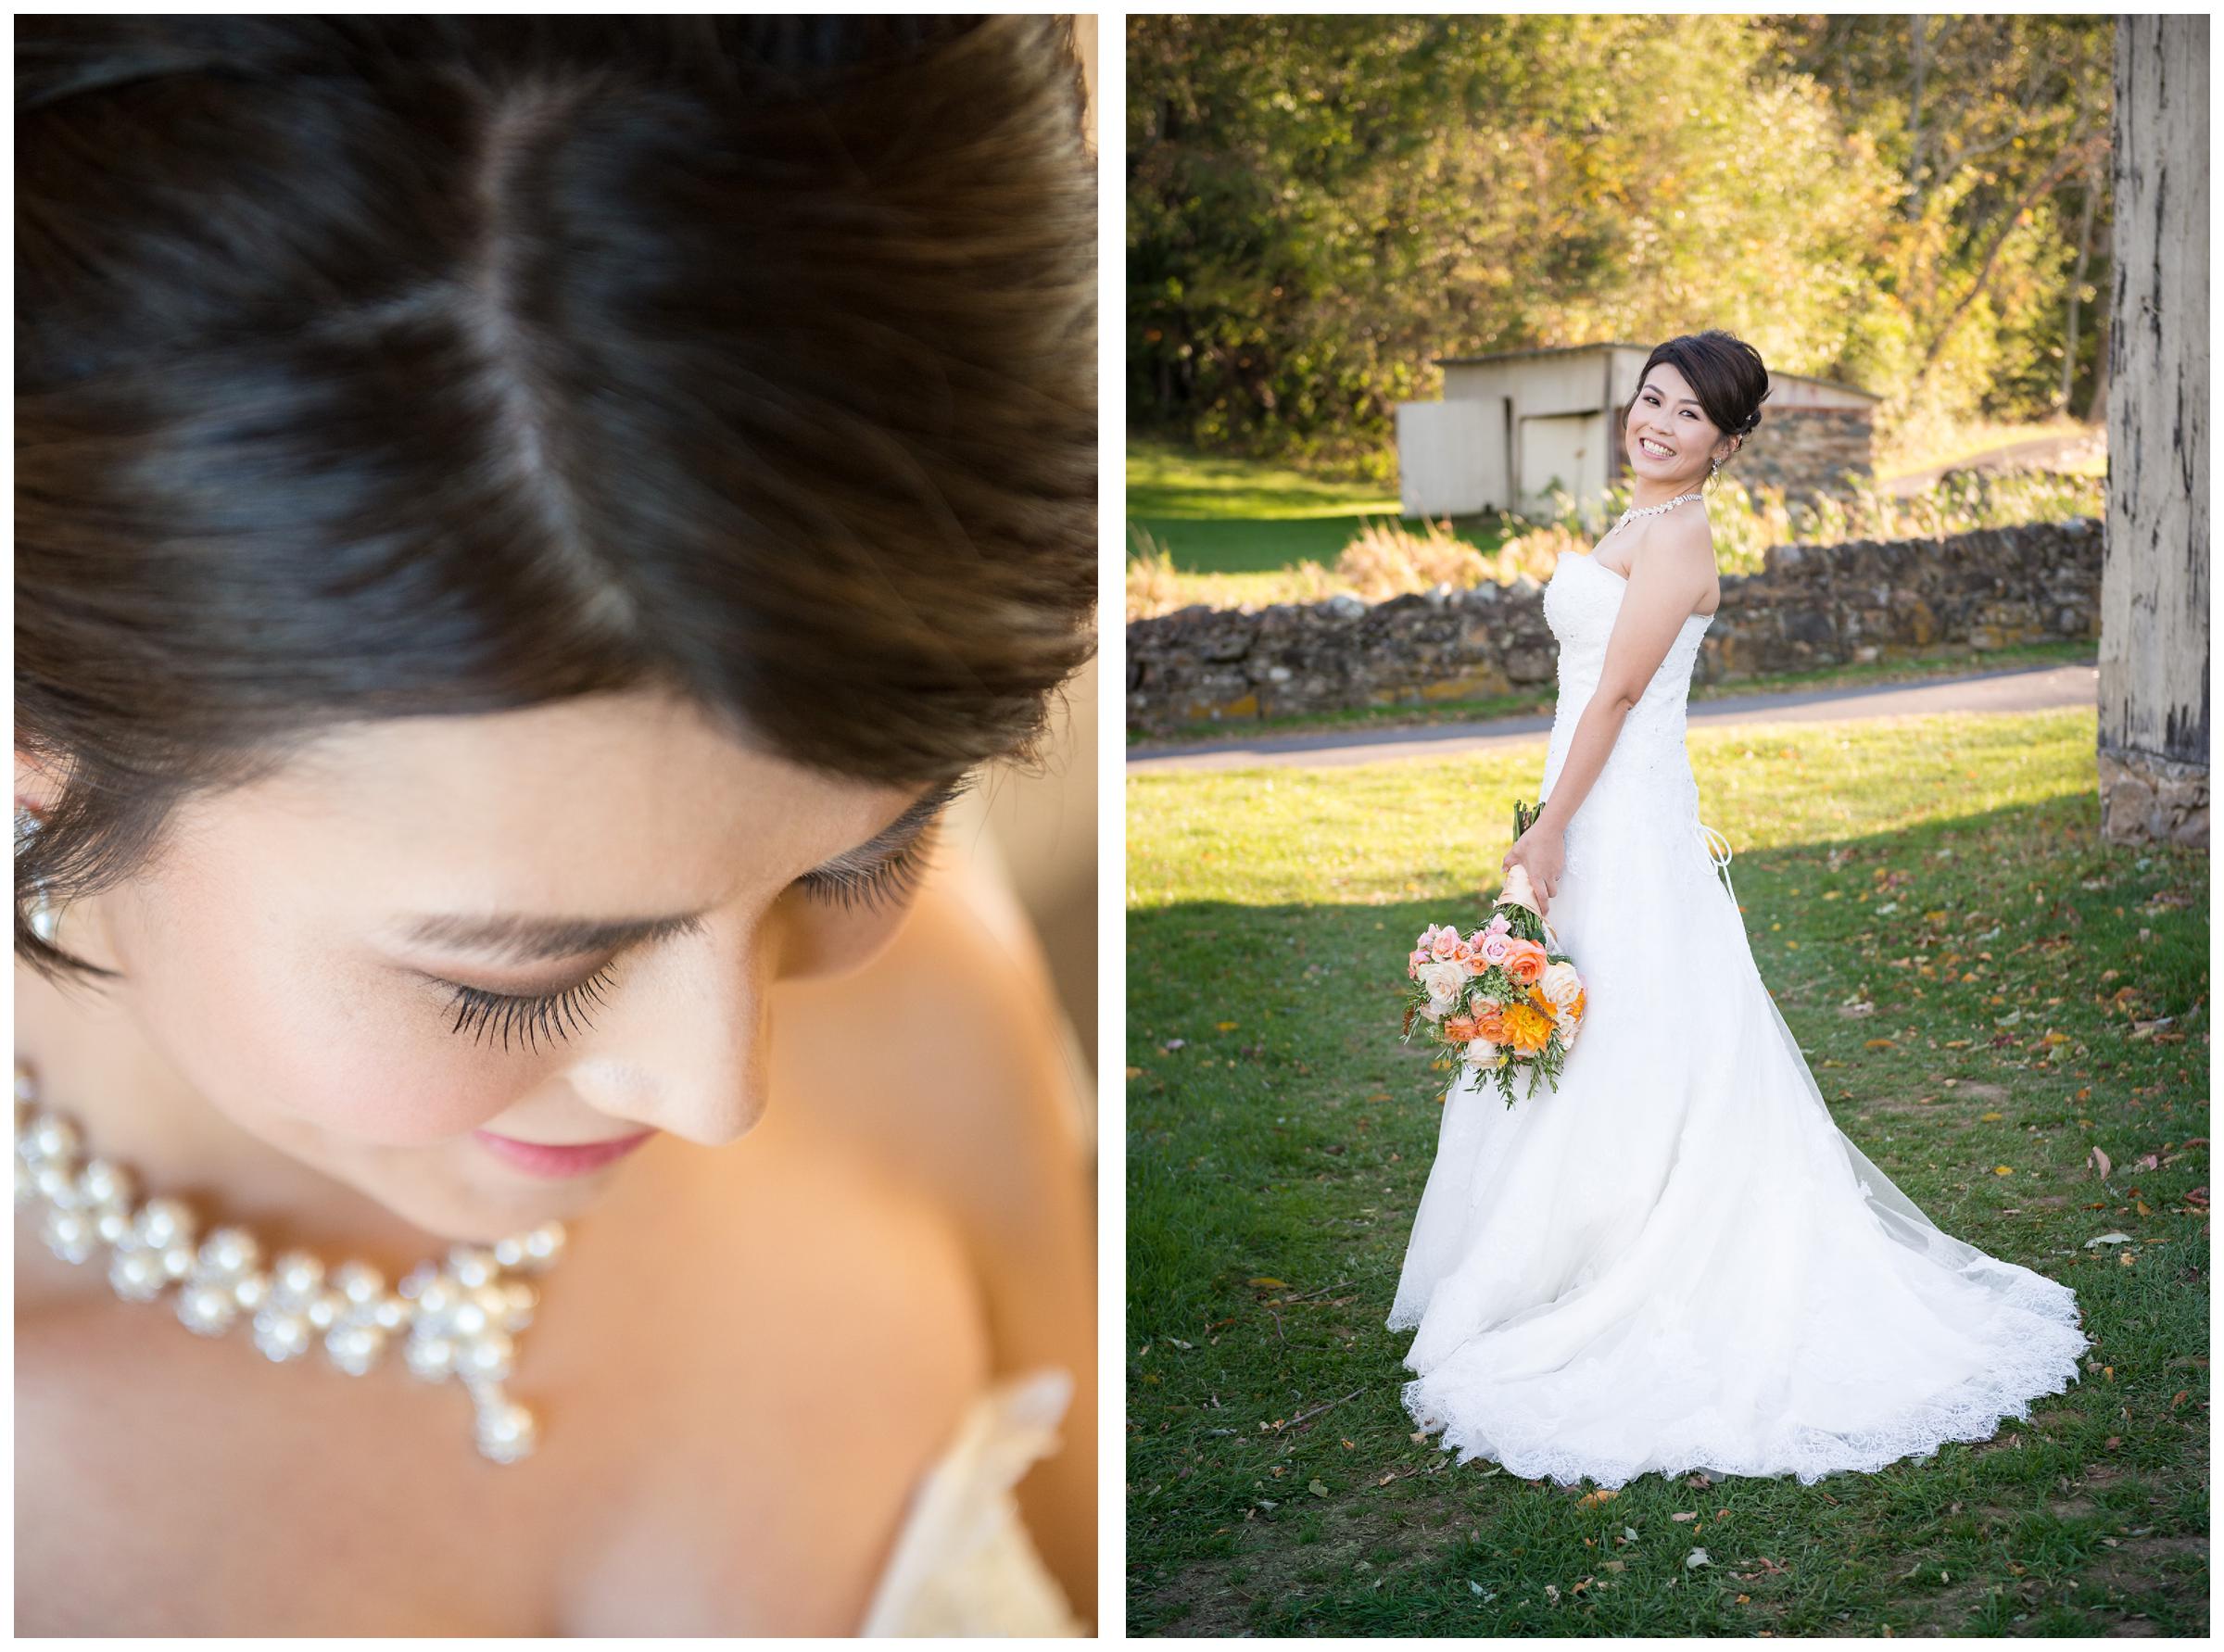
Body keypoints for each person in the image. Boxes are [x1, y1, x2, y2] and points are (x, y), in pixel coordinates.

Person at [15, 16, 1096, 1634]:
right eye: (512, 977)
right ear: (40, 740)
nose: (722, 1088)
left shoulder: (928, 1002)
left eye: (860, 851)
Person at [1387, 330, 2087, 1489]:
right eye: (1650, 399)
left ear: (1728, 443)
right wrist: (1548, 816)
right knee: (1582, 1016)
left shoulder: (1682, 535)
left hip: (1621, 811)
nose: (1656, 422)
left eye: (1687, 415)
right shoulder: (1634, 520)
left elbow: (1617, 691)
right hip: (1589, 797)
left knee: (1635, 1019)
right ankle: (1559, 1249)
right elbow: (1588, 691)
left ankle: (1633, 1251)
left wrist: (1552, 825)